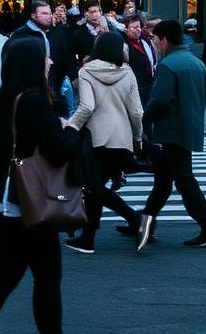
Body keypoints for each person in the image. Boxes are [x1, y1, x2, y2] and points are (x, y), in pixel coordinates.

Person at [0, 38, 74, 334]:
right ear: (33, 64)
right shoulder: (35, 101)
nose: (49, 63)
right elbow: (58, 149)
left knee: (5, 272)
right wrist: (73, 131)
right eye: (45, 58)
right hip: (26, 195)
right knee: (48, 275)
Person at [136, 18, 206, 248]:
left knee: (184, 180)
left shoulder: (168, 64)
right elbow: (205, 95)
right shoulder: (195, 62)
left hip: (172, 129)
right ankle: (145, 223)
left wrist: (145, 118)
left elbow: (161, 100)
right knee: (163, 180)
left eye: (154, 39)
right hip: (188, 125)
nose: (153, 43)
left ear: (163, 40)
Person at [63, 35, 144, 253]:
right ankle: (88, 238)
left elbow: (87, 106)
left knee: (93, 187)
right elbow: (136, 111)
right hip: (122, 137)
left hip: (97, 137)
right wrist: (137, 138)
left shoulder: (86, 71)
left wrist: (71, 126)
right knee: (94, 188)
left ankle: (135, 218)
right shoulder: (128, 72)